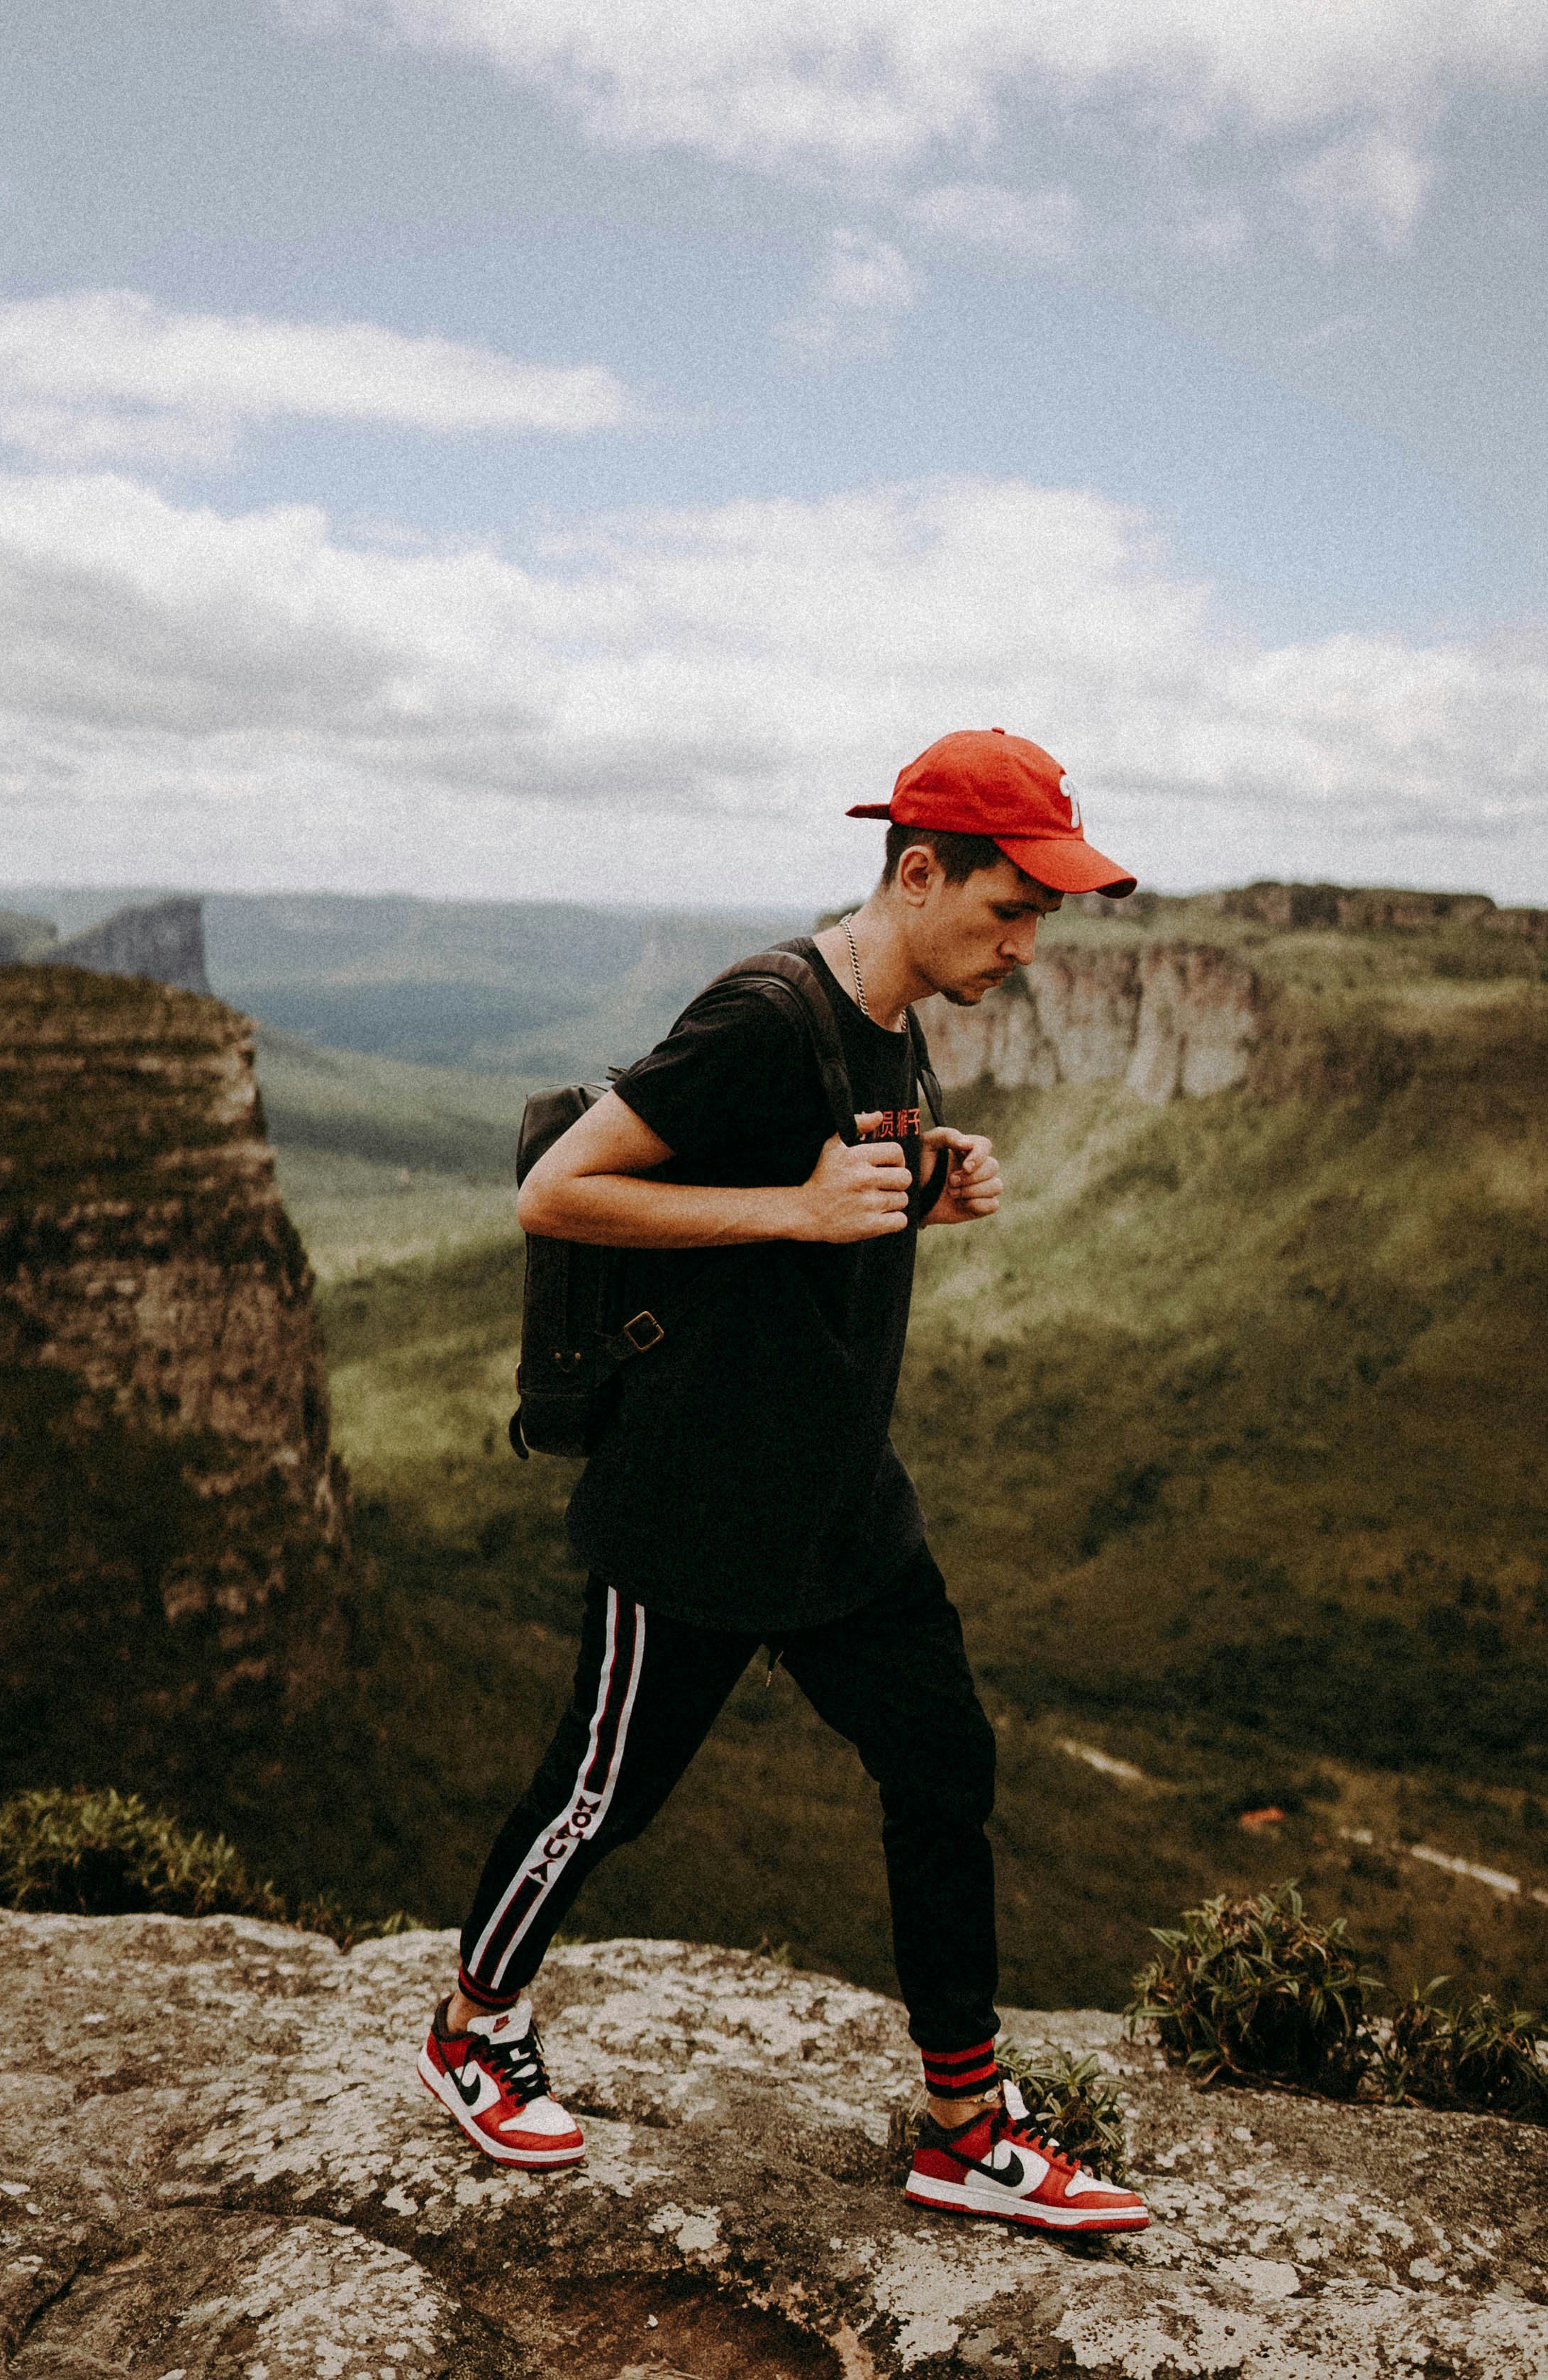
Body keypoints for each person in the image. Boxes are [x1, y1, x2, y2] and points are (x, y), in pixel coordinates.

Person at [416, 728, 1152, 2236]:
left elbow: (817, 1219)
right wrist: (802, 1207)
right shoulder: (765, 1013)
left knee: (943, 1764)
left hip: (838, 1505)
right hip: (694, 1502)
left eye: (1041, 918)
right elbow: (554, 1191)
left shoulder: (899, 1018)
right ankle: (471, 2023)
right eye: (1007, 908)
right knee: (599, 1794)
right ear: (917, 871)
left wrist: (912, 1198)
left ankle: (962, 2121)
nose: (1022, 944)